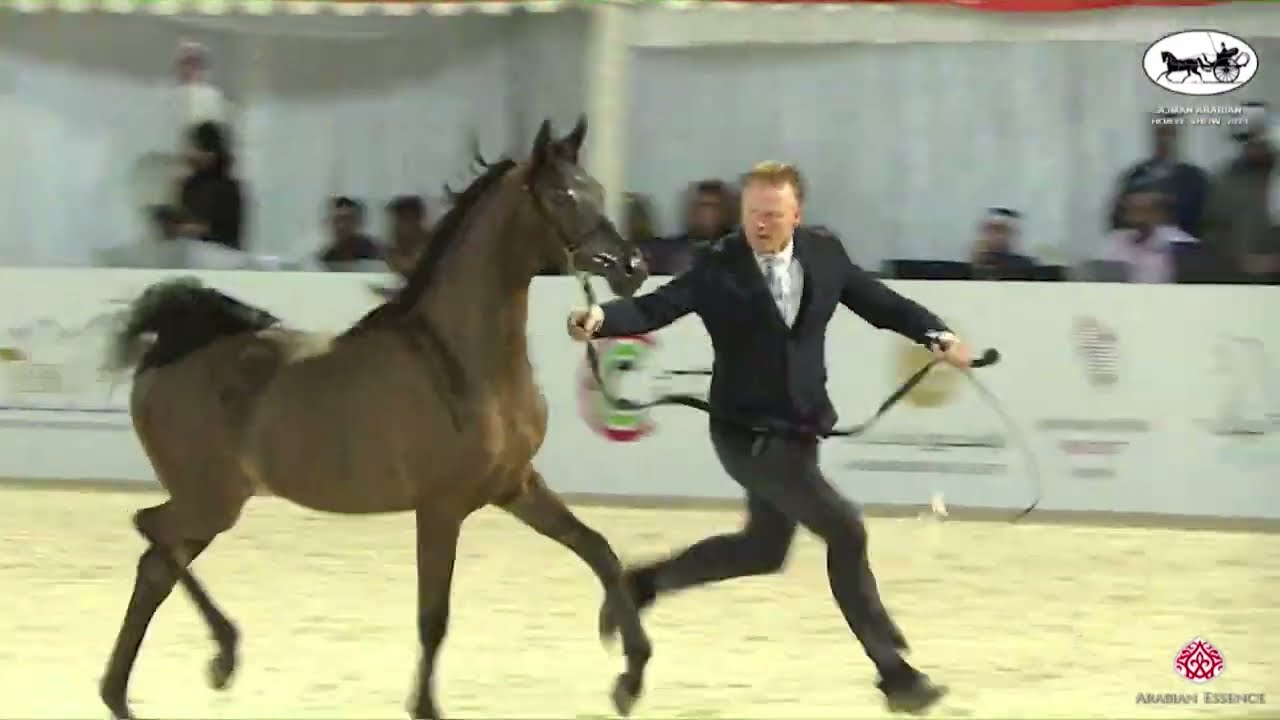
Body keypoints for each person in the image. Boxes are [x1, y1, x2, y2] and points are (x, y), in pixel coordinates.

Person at [566, 161, 969, 714]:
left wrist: (936, 334)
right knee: (846, 533)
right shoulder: (718, 266)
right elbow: (656, 306)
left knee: (762, 550)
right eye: (753, 213)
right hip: (745, 435)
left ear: (796, 215)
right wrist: (601, 318)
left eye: (773, 215)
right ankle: (895, 674)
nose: (760, 224)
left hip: (800, 431)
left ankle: (641, 586)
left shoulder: (825, 254)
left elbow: (878, 302)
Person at [1107, 113, 1211, 237]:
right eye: (1160, 133)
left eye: (1168, 133)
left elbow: (1205, 223)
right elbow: (1117, 220)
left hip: (1181, 251)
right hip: (1139, 251)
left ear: (1176, 135)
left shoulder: (1195, 179)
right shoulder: (1135, 176)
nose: (1164, 140)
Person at [176, 121, 244, 250]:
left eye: (196, 148)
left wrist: (199, 230)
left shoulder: (228, 187)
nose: (190, 153)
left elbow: (228, 232)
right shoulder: (189, 184)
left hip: (221, 258)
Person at [970, 207, 1037, 280]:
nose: (996, 235)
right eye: (991, 229)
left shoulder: (1025, 266)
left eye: (1001, 230)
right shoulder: (977, 263)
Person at [317, 196, 381, 270]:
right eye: (337, 220)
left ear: (359, 223)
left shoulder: (376, 255)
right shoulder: (324, 259)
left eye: (348, 220)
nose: (342, 226)